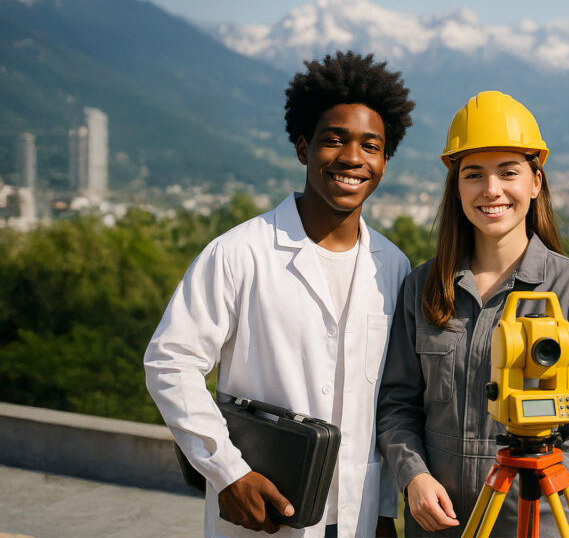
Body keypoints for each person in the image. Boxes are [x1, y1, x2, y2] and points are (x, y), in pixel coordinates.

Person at [144, 51, 415, 538]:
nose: (353, 158)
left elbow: (390, 400)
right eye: (334, 140)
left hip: (357, 517)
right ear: (303, 148)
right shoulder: (238, 253)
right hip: (264, 514)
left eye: (371, 146)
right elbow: (170, 362)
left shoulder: (393, 266)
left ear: (384, 161)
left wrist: (385, 506)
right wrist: (229, 473)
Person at [376, 90, 569, 537]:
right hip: (438, 524)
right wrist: (413, 476)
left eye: (508, 172)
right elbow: (397, 404)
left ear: (535, 182)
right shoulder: (422, 287)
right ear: (456, 186)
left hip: (534, 522)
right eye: (474, 174)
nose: (491, 189)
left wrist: (553, 477)